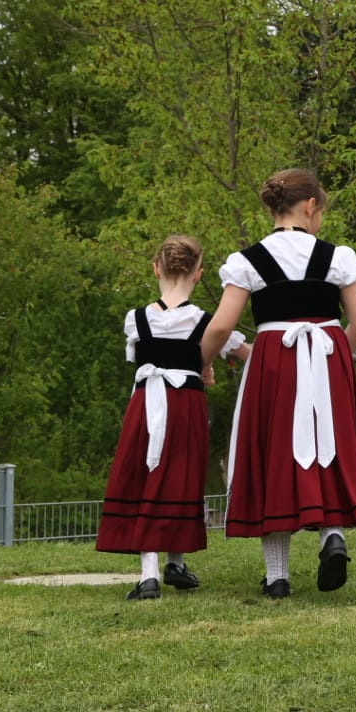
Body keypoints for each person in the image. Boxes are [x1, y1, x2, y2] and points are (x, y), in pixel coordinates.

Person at [200, 169, 356, 598]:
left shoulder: (247, 261)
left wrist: (202, 363)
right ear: (312, 206)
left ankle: (278, 577)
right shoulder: (337, 257)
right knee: (328, 446)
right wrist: (334, 357)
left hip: (273, 365)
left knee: (272, 454)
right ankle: (332, 534)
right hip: (327, 359)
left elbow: (222, 326)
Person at [97, 236, 249, 600]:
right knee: (182, 476)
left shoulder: (136, 320)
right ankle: (169, 565)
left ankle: (157, 571)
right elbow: (248, 354)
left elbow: (139, 360)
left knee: (145, 476)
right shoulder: (206, 322)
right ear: (198, 275)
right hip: (186, 405)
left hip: (146, 403)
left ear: (155, 268)